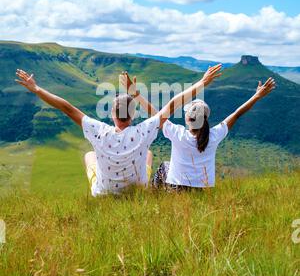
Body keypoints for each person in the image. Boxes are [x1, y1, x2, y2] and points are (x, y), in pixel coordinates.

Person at [15, 64, 222, 195]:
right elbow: (173, 104)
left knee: (89, 156)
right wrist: (202, 82)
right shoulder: (144, 132)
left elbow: (67, 108)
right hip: (136, 192)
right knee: (147, 154)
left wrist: (36, 88)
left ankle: (100, 183)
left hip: (105, 194)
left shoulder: (99, 131)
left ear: (113, 114)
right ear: (132, 115)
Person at [121, 72, 276, 191]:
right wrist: (256, 96)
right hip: (203, 191)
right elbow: (237, 113)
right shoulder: (214, 135)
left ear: (188, 118)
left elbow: (156, 114)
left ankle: (154, 198)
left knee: (163, 166)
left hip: (176, 191)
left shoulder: (178, 133)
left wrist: (136, 95)